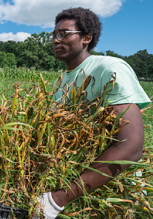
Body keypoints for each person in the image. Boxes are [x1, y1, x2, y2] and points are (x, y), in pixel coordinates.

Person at [32, 7, 151, 219]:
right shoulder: (60, 82)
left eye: (64, 34)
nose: (56, 40)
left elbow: (131, 148)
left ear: (86, 38)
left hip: (112, 199)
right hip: (76, 199)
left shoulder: (109, 67)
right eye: (54, 35)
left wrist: (58, 199)